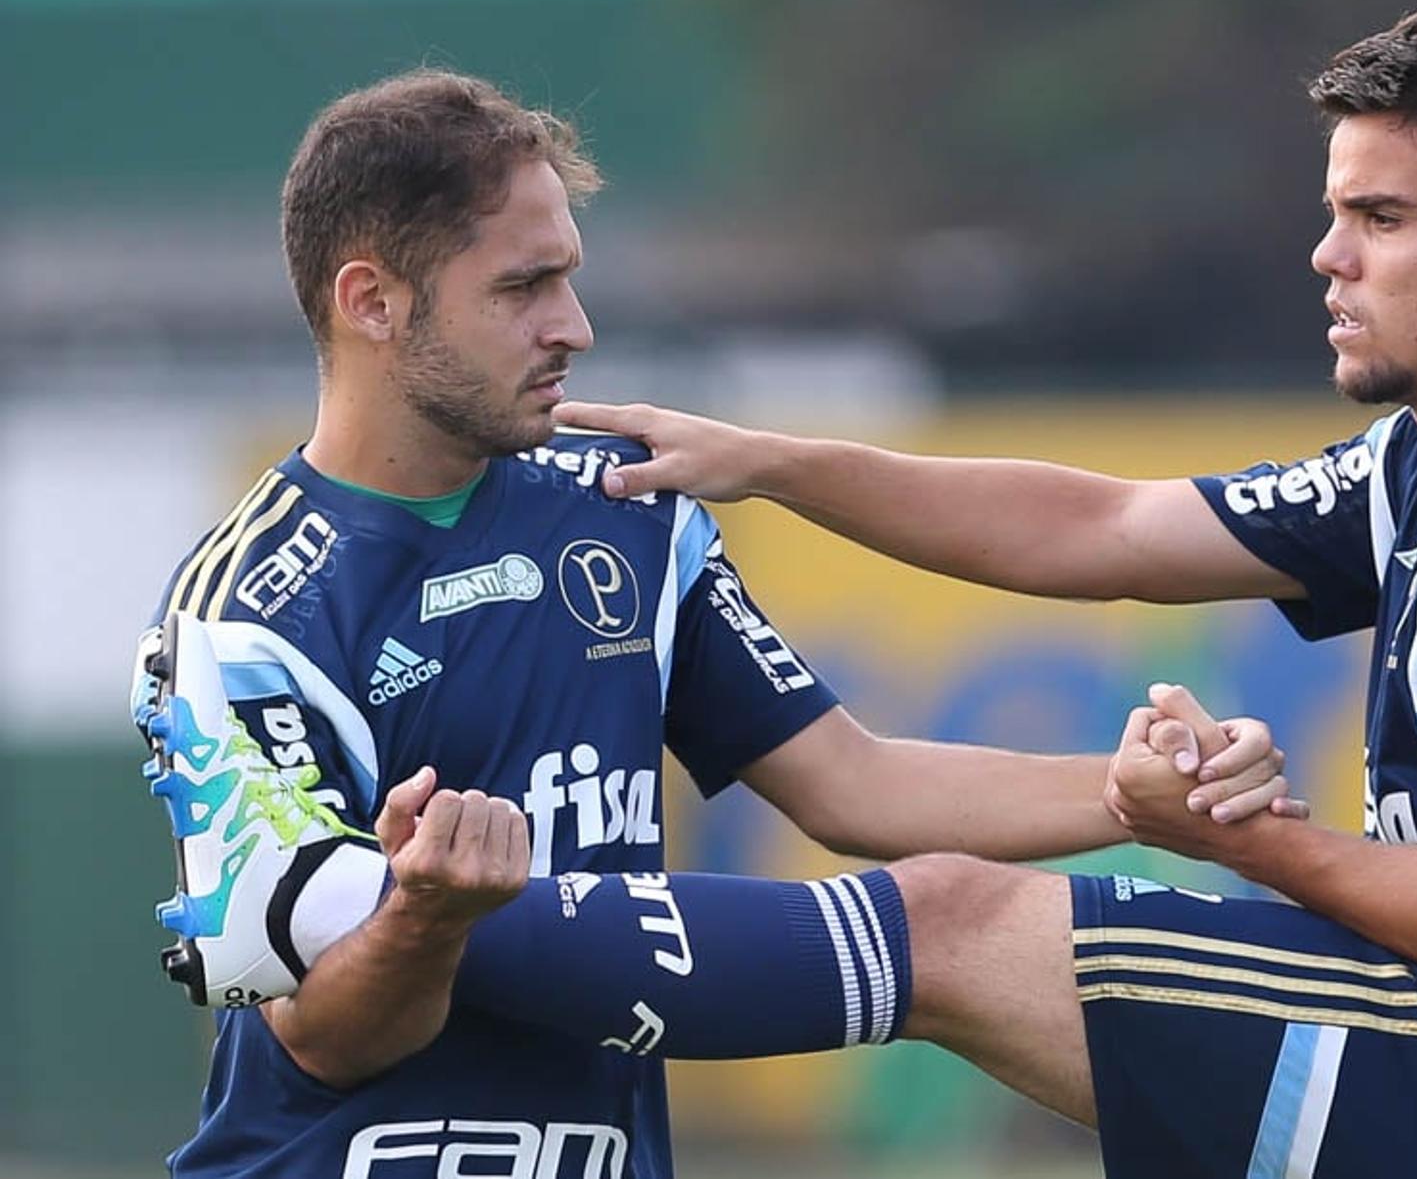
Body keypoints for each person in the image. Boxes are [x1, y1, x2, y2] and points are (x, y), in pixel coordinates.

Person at [553, 0, 1417, 1178]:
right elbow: (1109, 526)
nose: (1328, 255)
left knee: (951, 924)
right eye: (1335, 211)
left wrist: (1244, 840)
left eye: (1385, 218)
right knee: (948, 919)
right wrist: (771, 461)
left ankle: (460, 947)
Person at [130, 69, 1295, 1178]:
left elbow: (857, 786)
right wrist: (430, 916)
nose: (573, 325)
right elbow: (325, 1036)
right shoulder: (246, 614)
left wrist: (1128, 794)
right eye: (522, 287)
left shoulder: (627, 514)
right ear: (372, 301)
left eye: (569, 278)